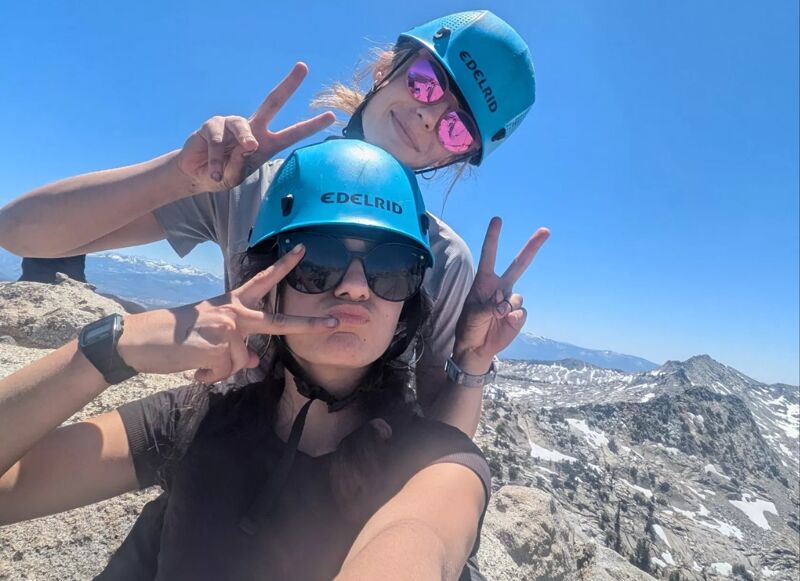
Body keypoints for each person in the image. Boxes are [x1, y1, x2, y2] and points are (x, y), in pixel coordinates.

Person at [0, 10, 549, 439]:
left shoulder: (442, 258)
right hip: (229, 445)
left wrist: (472, 361)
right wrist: (181, 176)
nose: (431, 116)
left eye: (457, 130)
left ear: (456, 158)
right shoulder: (254, 186)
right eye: (428, 81)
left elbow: (434, 413)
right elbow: (22, 230)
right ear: (390, 67)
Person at [0, 140, 534, 580]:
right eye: (317, 263)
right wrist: (113, 347)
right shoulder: (191, 419)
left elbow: (419, 538)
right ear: (265, 284)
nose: (353, 288)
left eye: (390, 268)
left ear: (407, 305)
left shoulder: (436, 465)